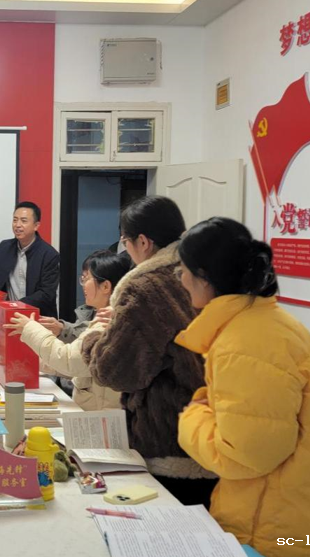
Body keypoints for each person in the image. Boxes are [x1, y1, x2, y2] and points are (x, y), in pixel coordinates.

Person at [175, 218, 310, 556]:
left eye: (183, 269)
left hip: (290, 532)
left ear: (204, 277)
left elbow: (246, 457)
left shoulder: (243, 345)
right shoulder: (266, 323)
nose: (180, 278)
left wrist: (191, 419)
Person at [80, 195, 217, 506]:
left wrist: (96, 335)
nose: (126, 251)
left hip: (169, 438)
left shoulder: (146, 287)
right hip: (213, 428)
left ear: (142, 242)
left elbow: (115, 372)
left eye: (125, 242)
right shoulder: (203, 274)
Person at [4, 250, 131, 411]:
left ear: (105, 286)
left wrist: (30, 328)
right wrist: (32, 362)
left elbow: (68, 360)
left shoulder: (107, 323)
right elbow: (79, 365)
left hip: (100, 416)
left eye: (86, 278)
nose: (83, 285)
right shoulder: (104, 317)